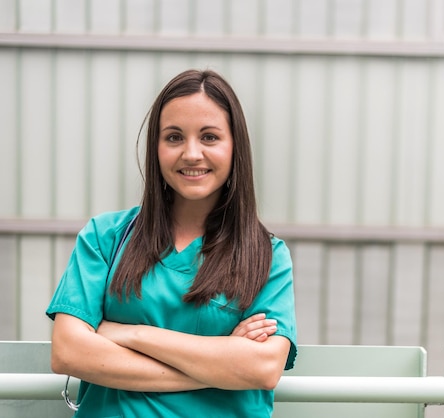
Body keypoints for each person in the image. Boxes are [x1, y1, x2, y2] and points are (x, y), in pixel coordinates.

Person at [46, 69, 297, 418]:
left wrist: (130, 335)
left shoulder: (266, 256)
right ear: (156, 147)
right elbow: (68, 352)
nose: (192, 154)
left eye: (209, 137)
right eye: (174, 137)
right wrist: (221, 363)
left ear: (235, 146)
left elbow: (263, 368)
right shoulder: (105, 238)